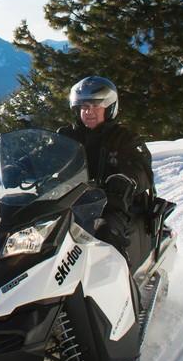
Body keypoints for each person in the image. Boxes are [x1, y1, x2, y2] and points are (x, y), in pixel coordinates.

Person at [57, 76, 155, 266]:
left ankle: (121, 288)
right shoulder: (66, 136)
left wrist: (125, 180)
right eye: (84, 106)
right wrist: (20, 167)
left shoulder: (124, 138)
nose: (89, 111)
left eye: (96, 106)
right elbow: (43, 154)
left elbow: (141, 166)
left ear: (110, 107)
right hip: (68, 202)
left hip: (113, 206)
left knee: (105, 235)